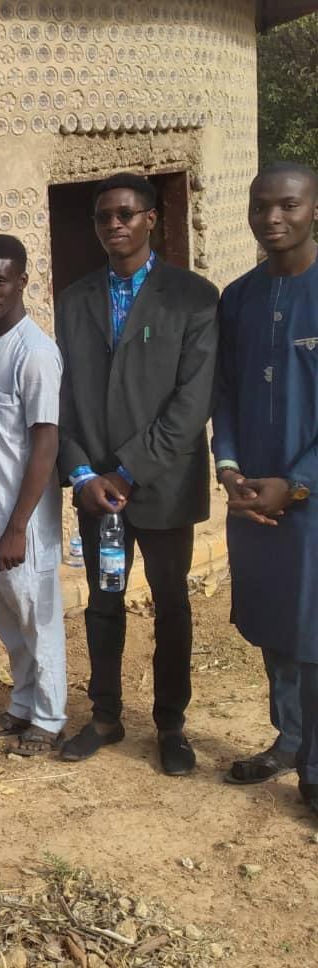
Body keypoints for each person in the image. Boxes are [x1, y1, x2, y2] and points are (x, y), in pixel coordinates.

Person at [55, 172, 219, 773]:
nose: (114, 225)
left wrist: (129, 471)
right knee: (103, 602)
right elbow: (62, 397)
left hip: (163, 484)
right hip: (97, 491)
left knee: (172, 605)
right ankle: (104, 716)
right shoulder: (74, 300)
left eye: (126, 214)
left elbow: (192, 401)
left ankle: (171, 724)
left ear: (151, 218)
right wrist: (82, 473)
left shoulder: (193, 297)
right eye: (104, 217)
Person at [213, 161, 318, 821]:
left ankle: (316, 768)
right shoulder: (239, 298)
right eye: (261, 206)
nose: (272, 218)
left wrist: (297, 484)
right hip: (251, 495)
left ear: (314, 209)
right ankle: (290, 739)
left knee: (312, 631)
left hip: (308, 501)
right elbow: (224, 391)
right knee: (273, 623)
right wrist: (228, 467)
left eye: (288, 205)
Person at [0, 236, 67, 757]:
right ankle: (22, 705)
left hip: (23, 524)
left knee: (37, 619)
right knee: (9, 623)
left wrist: (18, 525)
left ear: (23, 282)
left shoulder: (36, 352)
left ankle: (49, 719)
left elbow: (45, 441)